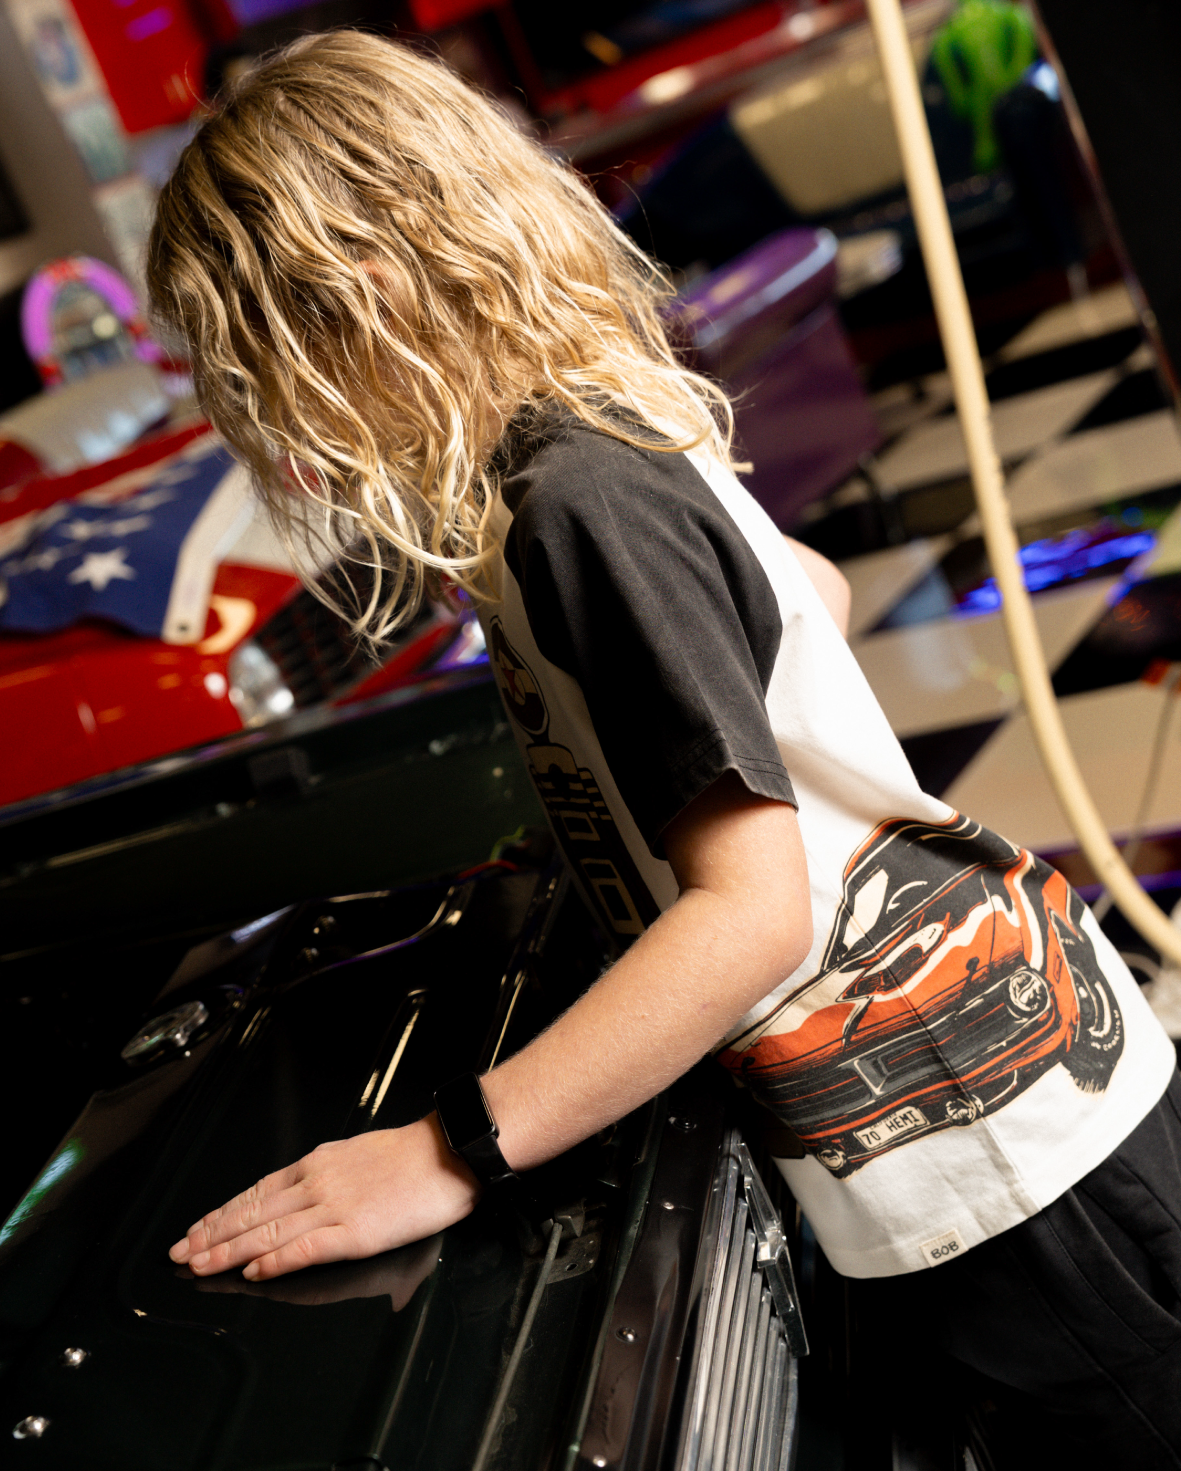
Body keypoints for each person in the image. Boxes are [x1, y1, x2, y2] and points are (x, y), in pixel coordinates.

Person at [148, 31, 1181, 1466]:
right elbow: (800, 594)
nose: (277, 420)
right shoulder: (583, 421)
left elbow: (754, 913)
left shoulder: (577, 499)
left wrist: (448, 1149)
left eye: (268, 355)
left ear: (367, 294)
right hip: (991, 1104)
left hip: (1005, 1152)